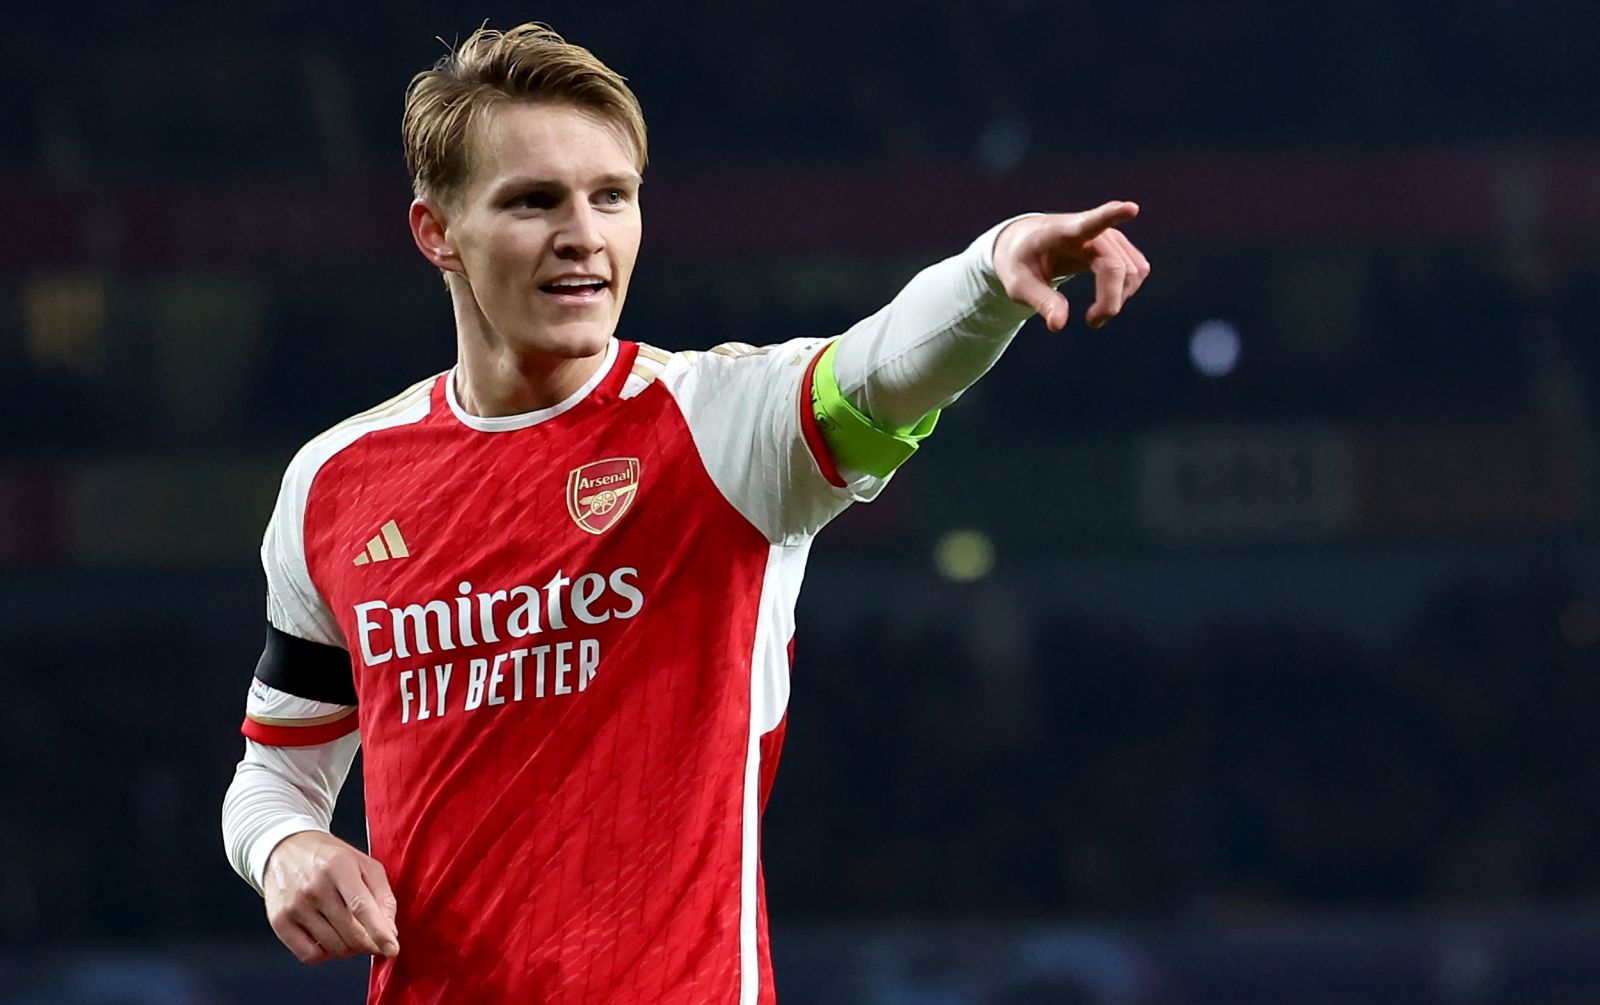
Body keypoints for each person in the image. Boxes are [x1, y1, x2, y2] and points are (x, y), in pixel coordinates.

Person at [220, 22, 1149, 1005]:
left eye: (610, 196)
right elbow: (275, 771)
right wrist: (286, 849)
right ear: (437, 232)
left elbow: (878, 368)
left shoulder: (719, 425)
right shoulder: (336, 483)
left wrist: (991, 271)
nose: (584, 232)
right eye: (534, 200)